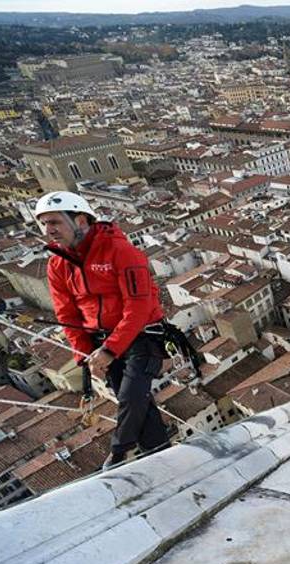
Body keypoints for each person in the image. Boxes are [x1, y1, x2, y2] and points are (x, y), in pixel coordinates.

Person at [36, 190, 170, 468]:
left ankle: (118, 454)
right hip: (101, 341)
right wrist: (87, 356)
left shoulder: (122, 251)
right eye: (44, 224)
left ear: (81, 220)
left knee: (131, 397)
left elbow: (140, 305)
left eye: (55, 222)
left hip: (143, 333)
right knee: (138, 403)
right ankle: (159, 452)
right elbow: (66, 313)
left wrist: (109, 350)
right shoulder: (57, 264)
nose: (49, 230)